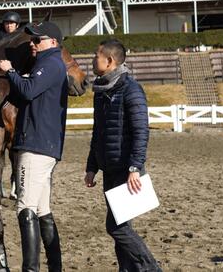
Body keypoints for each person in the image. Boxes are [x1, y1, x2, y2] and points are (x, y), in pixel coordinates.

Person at [84, 39, 161, 272]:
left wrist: (135, 168)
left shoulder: (131, 89)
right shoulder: (100, 92)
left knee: (117, 228)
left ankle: (151, 268)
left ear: (110, 61)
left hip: (127, 171)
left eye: (97, 55)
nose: (92, 59)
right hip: (109, 168)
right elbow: (98, 132)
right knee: (120, 227)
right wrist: (92, 166)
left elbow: (141, 131)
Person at [0, 21, 68, 272]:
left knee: (25, 208)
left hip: (35, 147)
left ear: (52, 43)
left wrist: (10, 72)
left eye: (37, 40)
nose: (32, 43)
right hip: (44, 146)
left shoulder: (50, 63)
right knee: (42, 210)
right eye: (32, 40)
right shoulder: (47, 64)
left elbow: (28, 91)